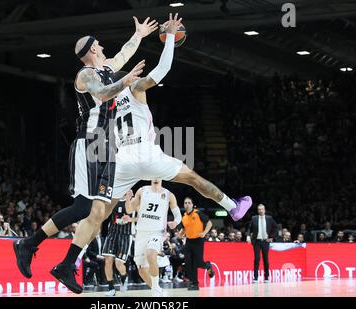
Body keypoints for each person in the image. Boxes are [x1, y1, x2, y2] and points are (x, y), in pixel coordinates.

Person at [57, 13, 252, 293]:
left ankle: (73, 259)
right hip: (147, 154)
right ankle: (233, 208)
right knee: (193, 179)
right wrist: (170, 37)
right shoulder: (134, 85)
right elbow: (162, 69)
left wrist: (137, 36)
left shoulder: (108, 97)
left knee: (99, 213)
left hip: (120, 160)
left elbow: (117, 64)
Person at [13, 16, 156, 294]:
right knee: (82, 208)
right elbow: (102, 94)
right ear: (91, 50)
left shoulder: (104, 67)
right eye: (99, 45)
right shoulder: (85, 75)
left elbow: (125, 52)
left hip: (106, 146)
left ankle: (66, 265)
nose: (103, 47)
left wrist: (138, 35)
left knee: (99, 211)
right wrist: (125, 80)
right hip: (89, 142)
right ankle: (29, 243)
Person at [125, 179, 182, 297]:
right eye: (153, 176)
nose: (156, 178)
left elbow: (178, 215)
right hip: (141, 233)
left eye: (158, 176)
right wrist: (128, 198)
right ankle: (157, 289)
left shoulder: (168, 195)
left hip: (157, 232)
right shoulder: (142, 191)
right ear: (150, 177)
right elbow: (129, 209)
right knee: (141, 269)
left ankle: (155, 291)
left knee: (151, 254)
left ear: (162, 178)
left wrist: (175, 222)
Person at [179, 197, 215, 290]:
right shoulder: (184, 217)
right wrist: (181, 234)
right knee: (188, 263)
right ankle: (195, 284)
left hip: (198, 240)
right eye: (185, 203)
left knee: (198, 263)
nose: (187, 204)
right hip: (189, 241)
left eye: (189, 203)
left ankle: (207, 265)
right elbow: (184, 229)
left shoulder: (198, 213)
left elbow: (209, 223)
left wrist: (204, 233)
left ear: (192, 204)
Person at [102, 195, 135, 296]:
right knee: (108, 261)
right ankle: (111, 288)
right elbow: (105, 215)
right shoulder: (113, 199)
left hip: (125, 234)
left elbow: (142, 217)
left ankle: (124, 277)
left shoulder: (134, 200)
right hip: (112, 233)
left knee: (118, 263)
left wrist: (130, 219)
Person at [246, 204, 278, 283]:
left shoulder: (269, 218)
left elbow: (276, 227)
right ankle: (255, 277)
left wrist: (272, 237)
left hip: (265, 241)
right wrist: (248, 236)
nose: (260, 211)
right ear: (258, 210)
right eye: (259, 209)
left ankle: (266, 277)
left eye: (262, 209)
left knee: (265, 259)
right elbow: (249, 228)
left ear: (264, 210)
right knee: (256, 259)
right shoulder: (254, 218)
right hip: (257, 241)